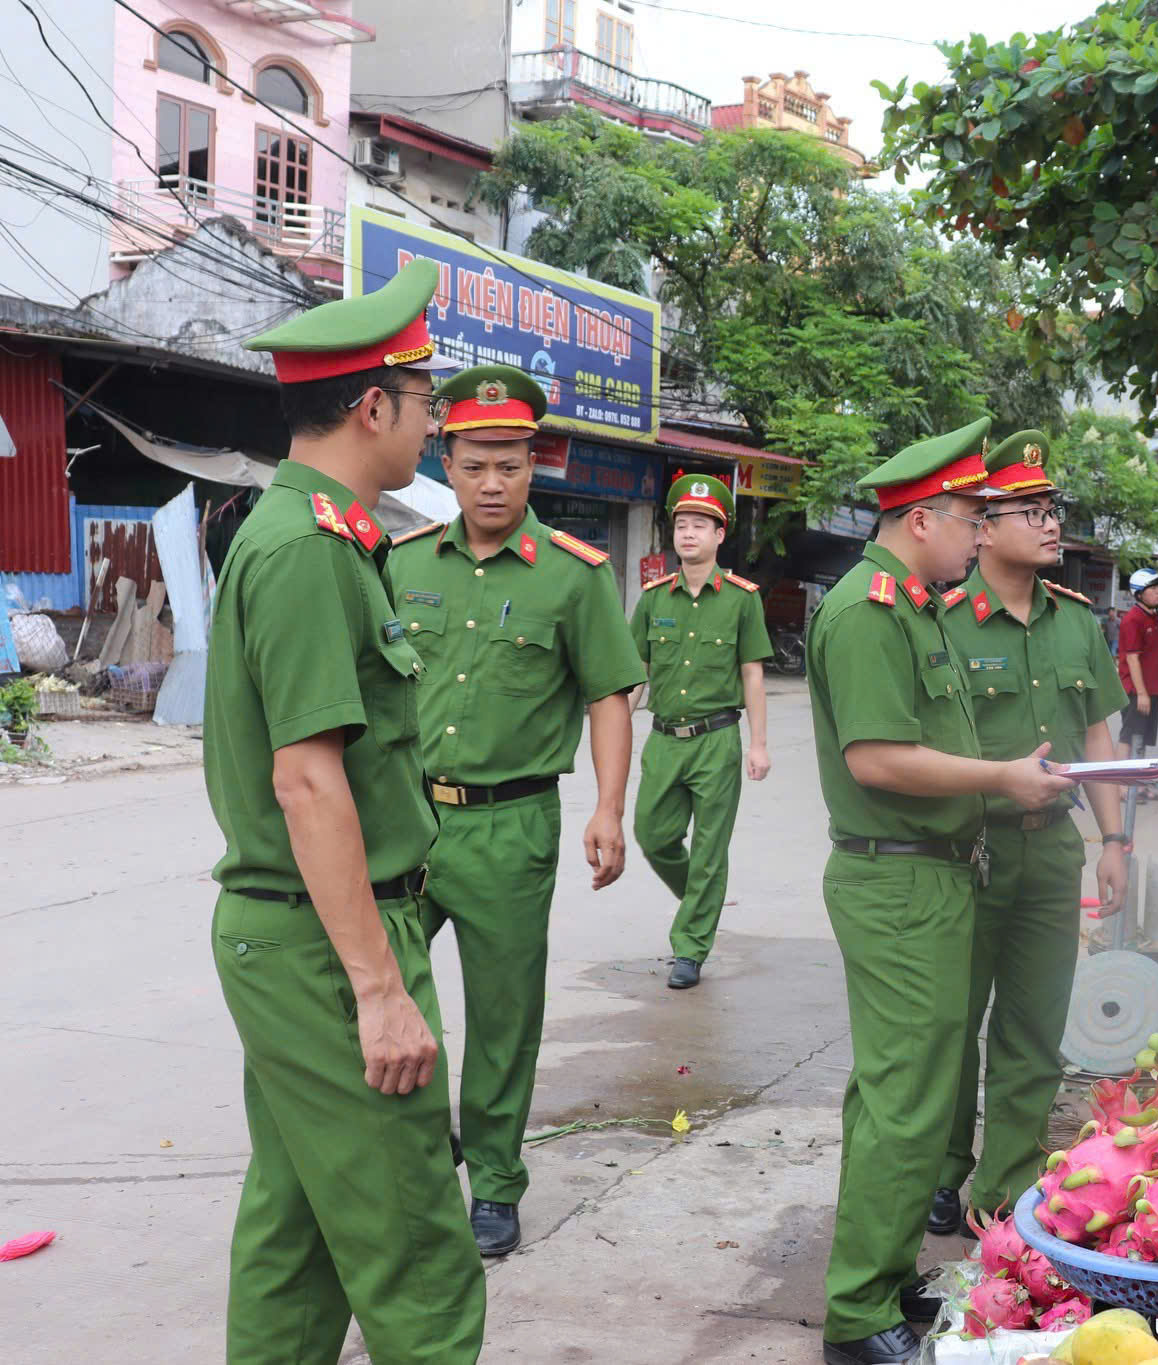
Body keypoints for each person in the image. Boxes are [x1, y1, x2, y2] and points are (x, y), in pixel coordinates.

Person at [206, 257, 485, 1362]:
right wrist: (378, 990)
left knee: (301, 1231)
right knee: (415, 1246)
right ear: (373, 406)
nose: (432, 431)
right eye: (425, 409)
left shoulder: (316, 534)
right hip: (332, 945)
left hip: (307, 934)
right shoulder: (309, 551)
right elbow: (307, 779)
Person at [806, 416, 1076, 1365]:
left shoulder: (914, 605)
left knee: (909, 1092)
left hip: (932, 875)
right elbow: (877, 756)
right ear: (923, 519)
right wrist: (1001, 779)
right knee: (904, 1101)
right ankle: (855, 1313)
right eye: (971, 515)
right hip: (897, 878)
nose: (979, 531)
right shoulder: (870, 611)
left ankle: (879, 1278)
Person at [387, 364, 644, 1257]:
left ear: (537, 465)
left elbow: (610, 694)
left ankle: (494, 1181)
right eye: (474, 463)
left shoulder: (572, 579)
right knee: (380, 993)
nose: (493, 483)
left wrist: (610, 808)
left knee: (502, 1016)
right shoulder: (402, 562)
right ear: (445, 460)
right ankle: (420, 1150)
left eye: (511, 464)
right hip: (405, 822)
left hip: (511, 823)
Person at [930, 430, 1131, 1238]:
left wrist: (1114, 840)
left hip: (1052, 847)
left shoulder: (1077, 623)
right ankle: (941, 1171)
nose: (1051, 525)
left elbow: (1101, 736)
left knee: (1034, 1028)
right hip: (964, 849)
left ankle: (999, 1184)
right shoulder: (941, 621)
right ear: (982, 525)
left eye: (1053, 510)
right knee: (950, 1026)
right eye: (1030, 510)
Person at [629, 473, 772, 991]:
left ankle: (689, 948)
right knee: (652, 834)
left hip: (717, 741)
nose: (688, 533)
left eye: (701, 525)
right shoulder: (652, 600)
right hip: (664, 740)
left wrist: (758, 743)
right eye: (682, 524)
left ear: (719, 535)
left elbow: (752, 672)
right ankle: (702, 904)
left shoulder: (741, 599)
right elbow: (636, 674)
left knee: (711, 848)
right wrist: (616, 728)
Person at [1116, 566, 1158, 756]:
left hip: (1149, 690)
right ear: (1138, 594)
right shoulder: (1133, 619)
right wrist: (1142, 694)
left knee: (1142, 737)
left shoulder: (1154, 618)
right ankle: (1121, 784)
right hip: (1134, 690)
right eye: (1153, 588)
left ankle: (1135, 783)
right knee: (1129, 736)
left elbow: (1154, 658)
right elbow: (1132, 659)